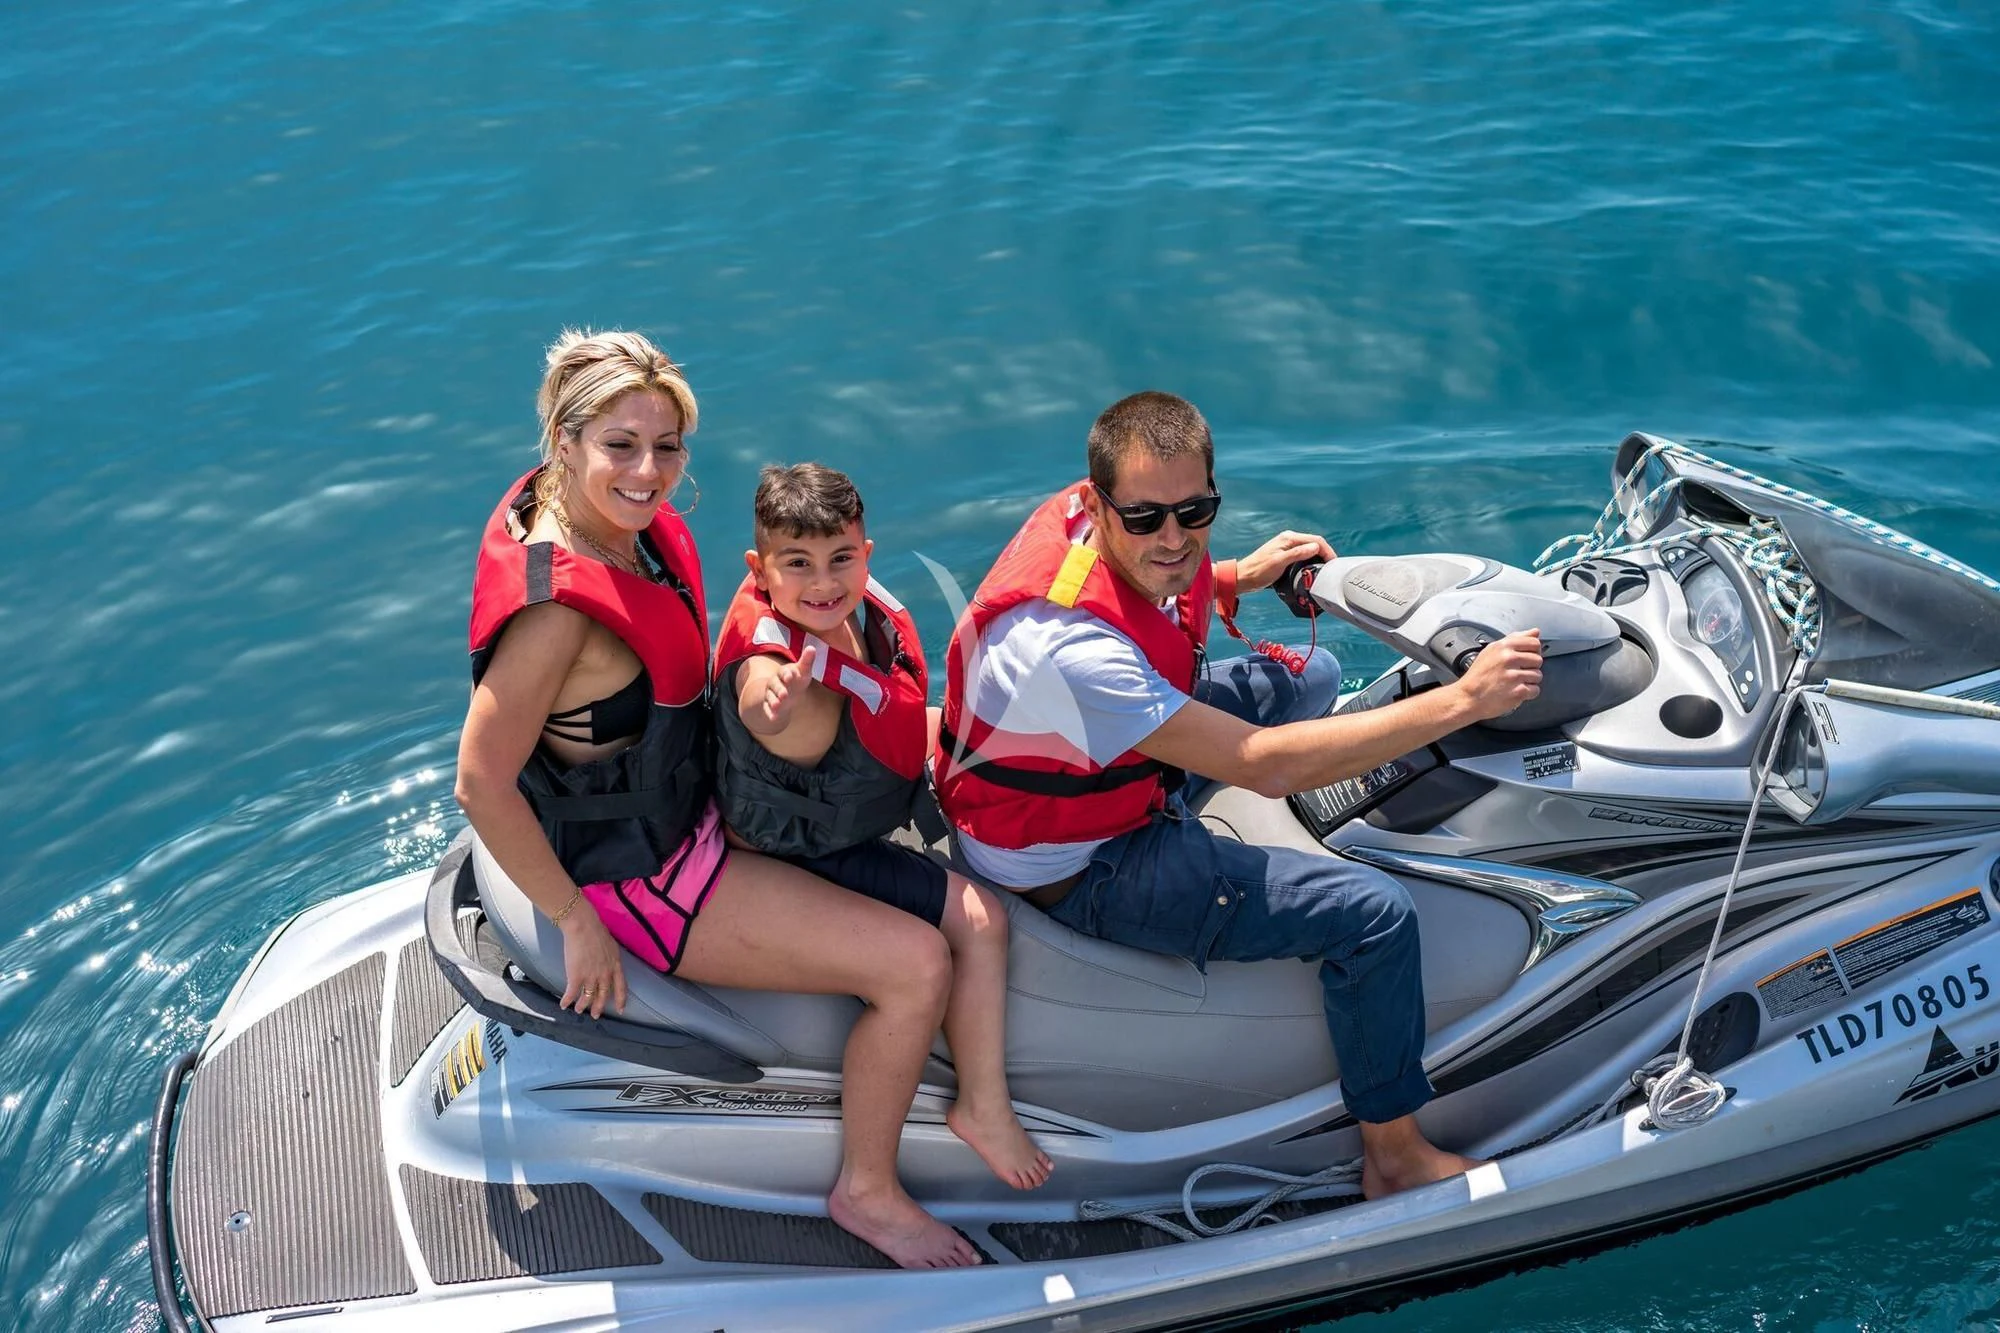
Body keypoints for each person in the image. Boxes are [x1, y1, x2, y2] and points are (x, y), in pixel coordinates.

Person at [932, 390, 1544, 1200]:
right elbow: (1263, 765)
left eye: (1196, 511)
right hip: (1081, 859)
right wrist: (1463, 701)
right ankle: (1393, 1156)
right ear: (1096, 502)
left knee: (1314, 676)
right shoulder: (1070, 648)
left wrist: (1235, 575)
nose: (1175, 539)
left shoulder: (1095, 529)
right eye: (1147, 518)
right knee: (1375, 917)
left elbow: (1161, 576)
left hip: (1106, 763)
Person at [455, 330, 979, 1269]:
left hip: (707, 809)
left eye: (668, 446)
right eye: (621, 445)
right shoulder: (554, 611)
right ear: (565, 441)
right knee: (914, 967)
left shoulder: (621, 530)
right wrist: (575, 920)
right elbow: (479, 779)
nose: (649, 471)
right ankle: (868, 1190)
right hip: (646, 878)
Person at [710, 463, 1053, 1191]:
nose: (823, 583)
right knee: (978, 923)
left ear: (868, 554)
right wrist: (772, 699)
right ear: (758, 570)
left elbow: (889, 714)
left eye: (840, 560)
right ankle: (956, 1123)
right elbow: (757, 696)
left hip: (860, 813)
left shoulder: (859, 617)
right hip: (799, 854)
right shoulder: (776, 662)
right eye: (796, 565)